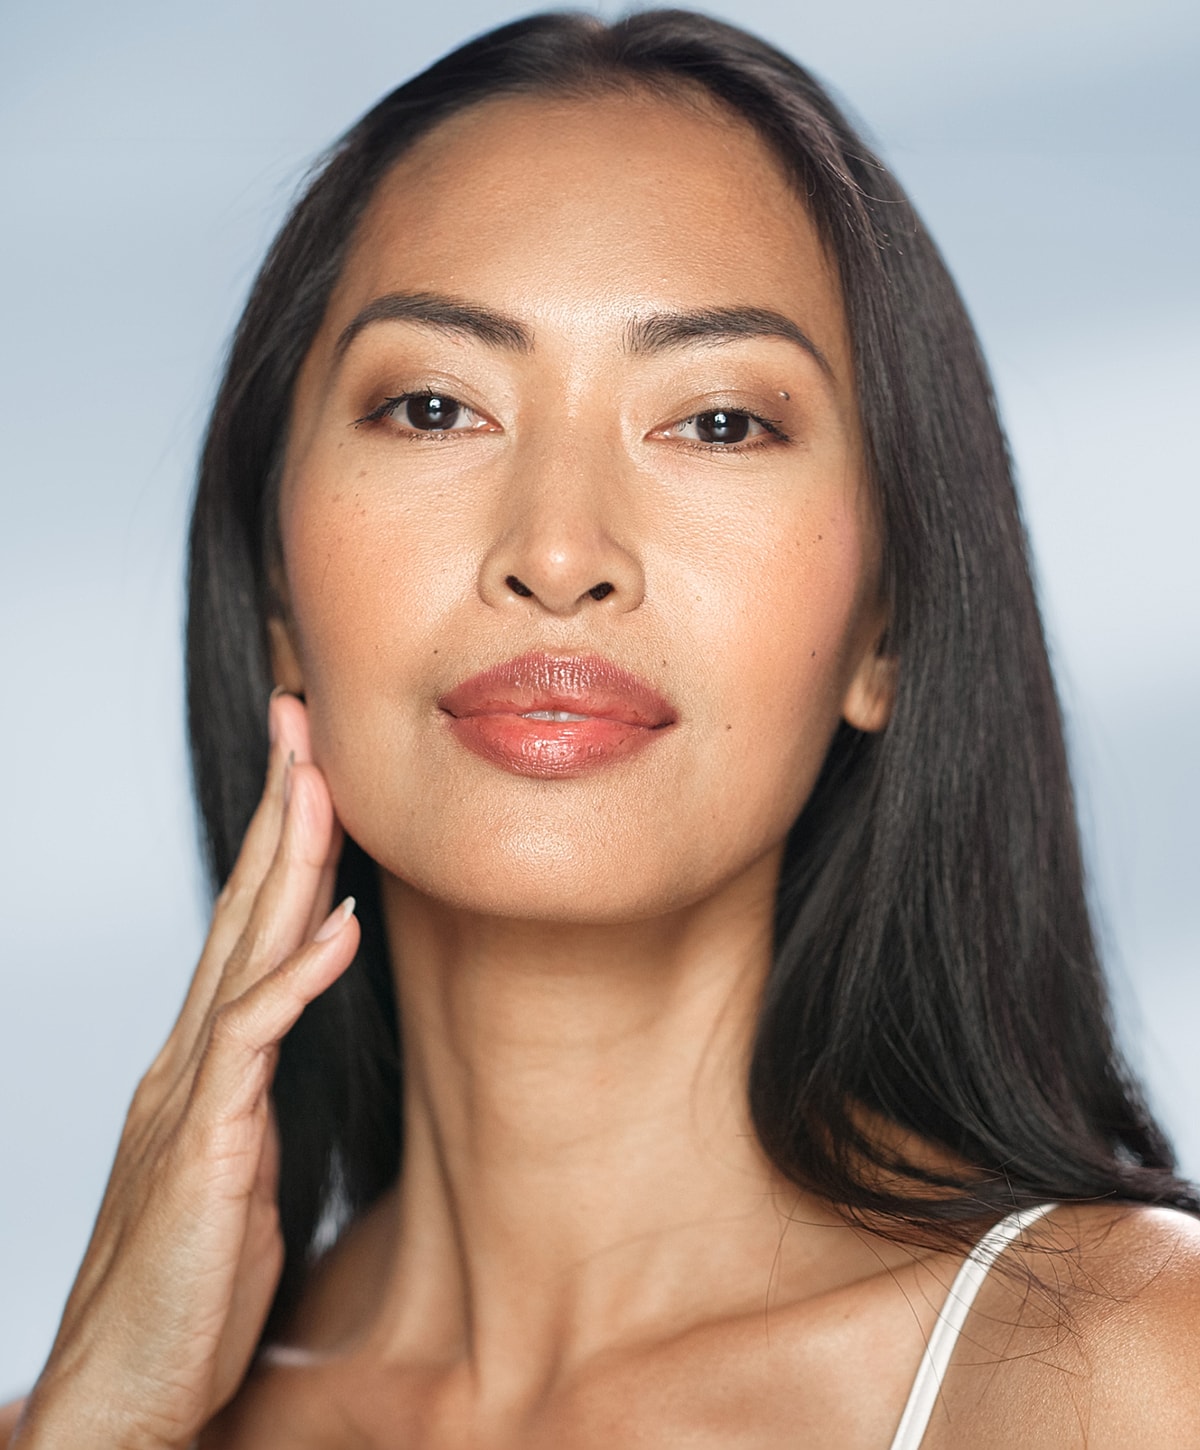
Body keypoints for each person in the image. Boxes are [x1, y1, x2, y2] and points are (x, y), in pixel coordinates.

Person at [6, 10, 1200, 1447]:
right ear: (276, 599)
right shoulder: (99, 1420)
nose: (561, 552)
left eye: (714, 424)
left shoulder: (1119, 1369)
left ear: (884, 629)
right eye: (437, 405)